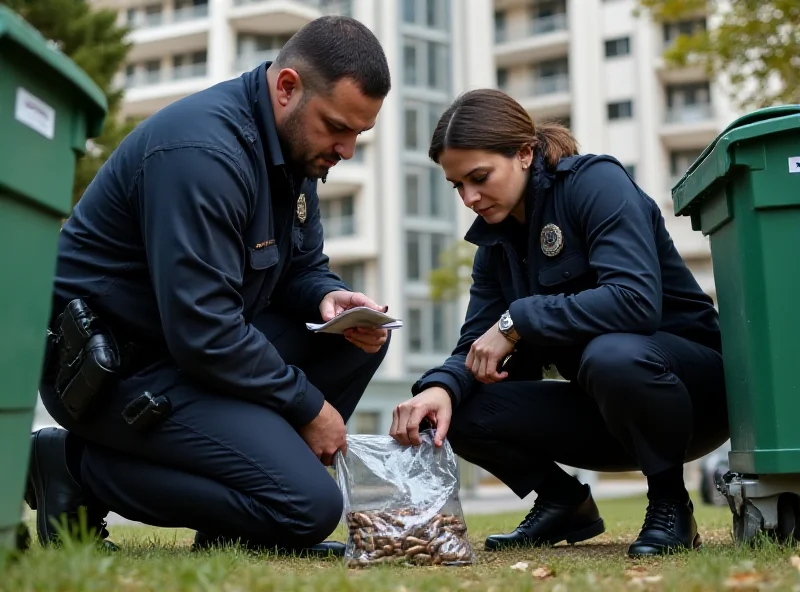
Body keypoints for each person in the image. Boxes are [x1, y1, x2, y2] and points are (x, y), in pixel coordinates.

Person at [27, 16, 392, 556]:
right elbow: (204, 330)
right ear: (287, 88)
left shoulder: (293, 155)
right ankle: (74, 467)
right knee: (310, 507)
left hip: (189, 352)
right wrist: (308, 407)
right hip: (113, 372)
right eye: (337, 127)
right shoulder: (203, 154)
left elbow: (300, 267)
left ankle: (243, 515)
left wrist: (326, 297)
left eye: (359, 134)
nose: (347, 149)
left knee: (354, 339)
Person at [389, 89, 729, 558]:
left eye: (479, 177)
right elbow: (477, 341)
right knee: (456, 409)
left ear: (524, 153)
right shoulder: (496, 245)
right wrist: (439, 388)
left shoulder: (596, 183)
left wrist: (520, 318)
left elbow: (634, 302)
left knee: (611, 355)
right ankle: (563, 502)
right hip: (605, 407)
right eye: (457, 185)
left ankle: (670, 502)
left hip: (693, 395)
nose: (469, 197)